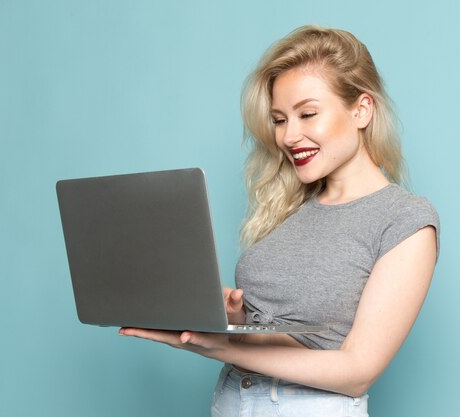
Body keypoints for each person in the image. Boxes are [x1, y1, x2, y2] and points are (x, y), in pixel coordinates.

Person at [119, 25, 440, 417]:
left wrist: (221, 346)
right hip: (232, 399)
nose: (289, 136)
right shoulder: (287, 203)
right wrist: (232, 316)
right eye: (279, 119)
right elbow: (284, 322)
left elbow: (358, 370)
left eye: (307, 114)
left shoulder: (404, 220)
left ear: (361, 109)